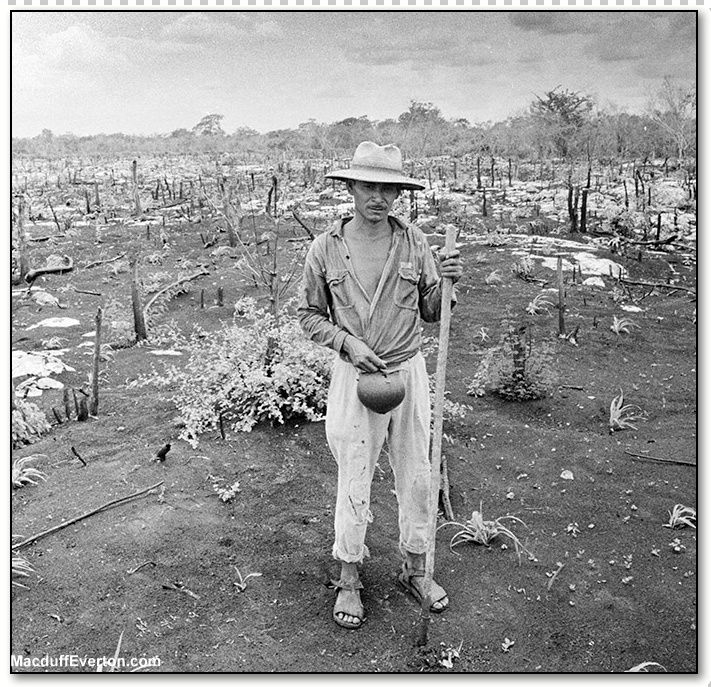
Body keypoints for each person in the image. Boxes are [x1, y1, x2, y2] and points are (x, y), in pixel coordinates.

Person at [297, 141, 463, 630]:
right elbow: (309, 315)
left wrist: (448, 284)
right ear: (350, 187)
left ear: (398, 193)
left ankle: (416, 567)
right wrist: (347, 343)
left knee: (417, 473)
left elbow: (432, 312)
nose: (379, 197)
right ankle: (349, 576)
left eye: (389, 188)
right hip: (356, 377)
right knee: (354, 474)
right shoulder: (326, 247)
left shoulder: (414, 242)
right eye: (369, 186)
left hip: (407, 369)